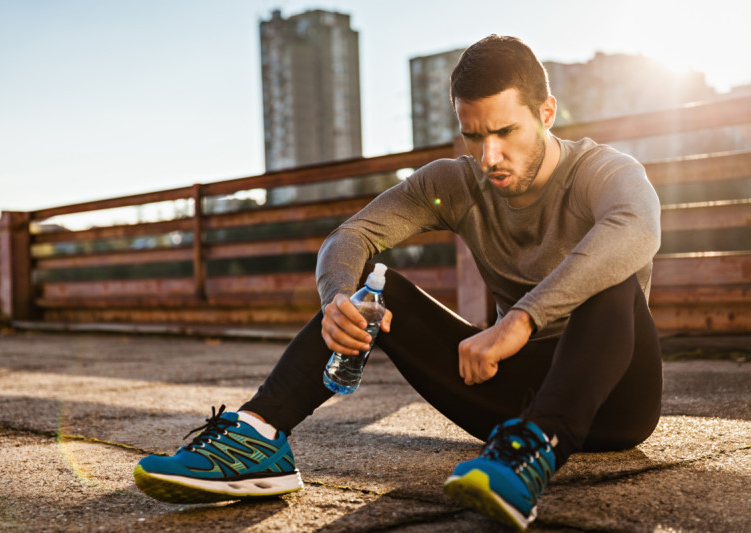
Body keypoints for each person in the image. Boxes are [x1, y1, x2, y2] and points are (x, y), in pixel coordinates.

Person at [133, 34, 662, 531]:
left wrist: (521, 319)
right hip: (509, 395)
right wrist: (338, 298)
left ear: (546, 113)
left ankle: (535, 450)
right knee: (375, 287)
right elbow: (351, 235)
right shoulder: (453, 182)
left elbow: (635, 229)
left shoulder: (603, 170)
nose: (489, 157)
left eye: (505, 132)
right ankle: (258, 437)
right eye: (474, 135)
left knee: (610, 278)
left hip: (615, 400)